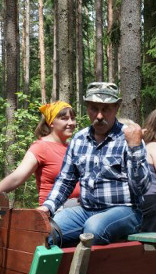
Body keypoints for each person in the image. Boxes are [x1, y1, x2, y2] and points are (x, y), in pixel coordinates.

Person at [39, 82, 150, 246]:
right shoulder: (79, 139)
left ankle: (93, 271)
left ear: (117, 107)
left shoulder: (128, 138)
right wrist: (48, 207)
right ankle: (61, 271)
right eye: (94, 108)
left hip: (126, 210)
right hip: (86, 210)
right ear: (86, 107)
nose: (99, 115)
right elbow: (66, 180)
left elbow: (141, 188)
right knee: (49, 231)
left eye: (105, 109)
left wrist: (135, 147)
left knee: (94, 229)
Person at [0, 101, 80, 206]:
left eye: (73, 118)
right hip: (55, 211)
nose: (71, 123)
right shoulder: (41, 147)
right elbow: (16, 178)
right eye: (64, 119)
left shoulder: (74, 147)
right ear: (51, 122)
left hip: (81, 209)